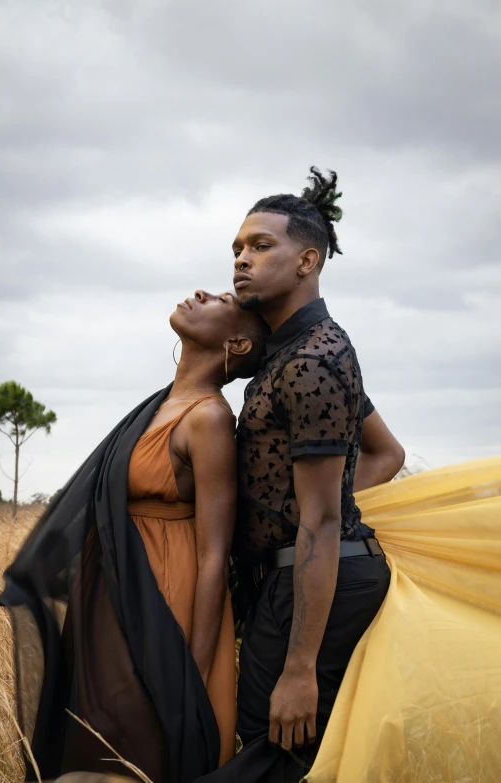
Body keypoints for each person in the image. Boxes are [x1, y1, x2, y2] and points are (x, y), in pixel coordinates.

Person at [0, 290, 270, 783]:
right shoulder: (161, 403)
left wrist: (193, 672)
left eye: (223, 299)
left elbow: (214, 555)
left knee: (140, 749)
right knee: (94, 747)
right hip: (115, 591)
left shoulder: (208, 418)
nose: (203, 293)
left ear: (237, 343)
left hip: (165, 595)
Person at [201, 167, 401, 783]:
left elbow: (320, 516)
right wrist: (317, 518)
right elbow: (385, 454)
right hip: (302, 576)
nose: (242, 259)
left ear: (307, 260)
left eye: (261, 246)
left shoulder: (314, 359)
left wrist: (301, 666)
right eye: (237, 247)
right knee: (284, 752)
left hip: (312, 588)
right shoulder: (294, 352)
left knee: (274, 750)